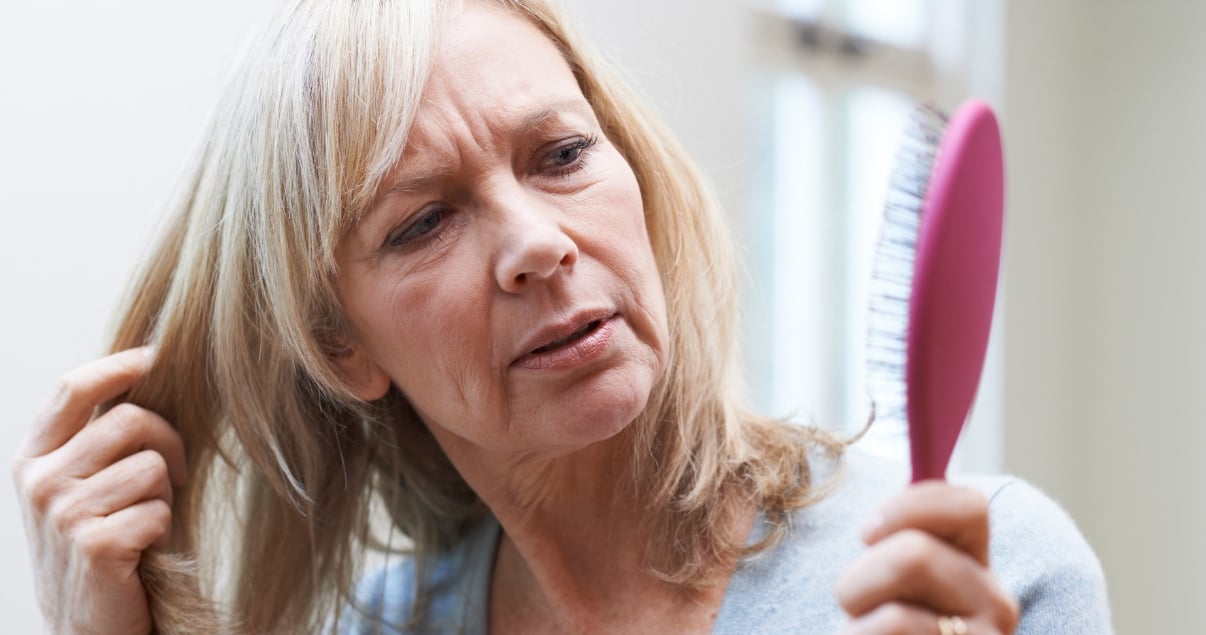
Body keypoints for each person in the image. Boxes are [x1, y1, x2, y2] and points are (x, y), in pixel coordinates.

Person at [11, 0, 1111, 633]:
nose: (539, 242)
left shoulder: (993, 573)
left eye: (562, 155)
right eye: (424, 221)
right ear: (342, 345)